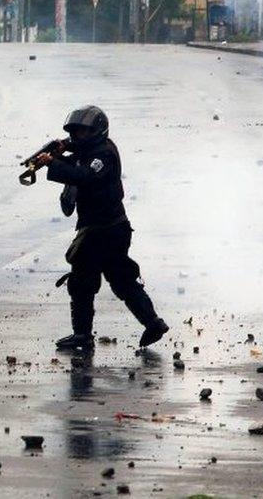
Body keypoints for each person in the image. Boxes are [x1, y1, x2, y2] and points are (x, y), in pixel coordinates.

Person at [35, 105, 168, 351]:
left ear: (96, 131)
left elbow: (83, 175)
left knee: (82, 281)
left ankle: (82, 335)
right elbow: (76, 155)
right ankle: (153, 323)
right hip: (112, 228)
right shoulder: (91, 149)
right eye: (76, 132)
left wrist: (53, 162)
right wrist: (60, 150)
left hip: (101, 230)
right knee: (121, 279)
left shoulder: (103, 155)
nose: (78, 137)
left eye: (83, 132)